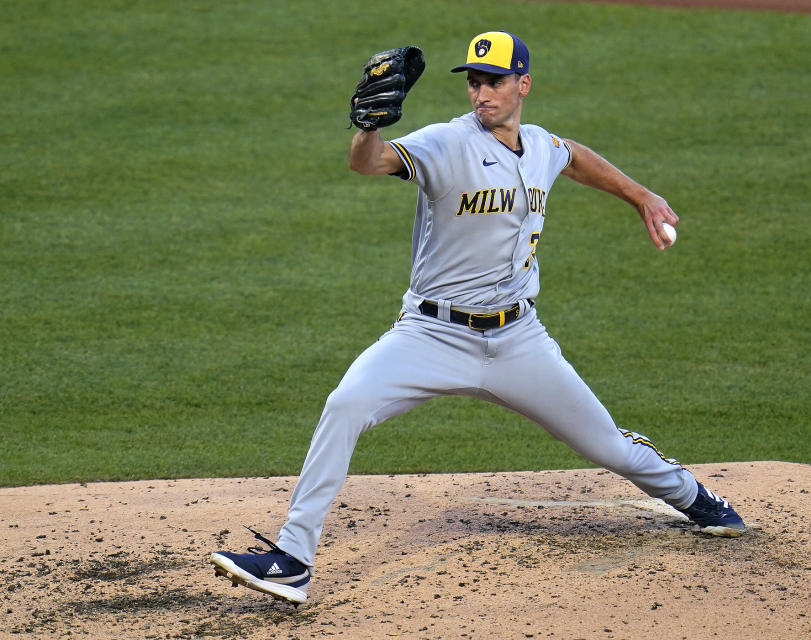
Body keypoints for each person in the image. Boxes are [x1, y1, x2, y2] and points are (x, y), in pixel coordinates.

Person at [210, 31, 745, 606]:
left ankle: (693, 497)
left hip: (519, 341)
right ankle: (292, 560)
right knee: (346, 404)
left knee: (607, 448)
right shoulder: (445, 142)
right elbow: (370, 164)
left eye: (493, 81)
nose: (481, 93)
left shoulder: (538, 146)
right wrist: (368, 126)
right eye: (473, 81)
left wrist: (640, 195)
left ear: (524, 85)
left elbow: (573, 156)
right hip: (431, 335)